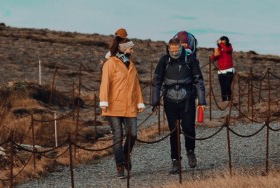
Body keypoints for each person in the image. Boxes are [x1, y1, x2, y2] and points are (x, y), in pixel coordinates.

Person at [151, 32, 207, 173]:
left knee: (189, 128)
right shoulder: (164, 61)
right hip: (170, 101)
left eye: (177, 51)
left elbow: (198, 80)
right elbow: (157, 81)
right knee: (173, 132)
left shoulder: (191, 60)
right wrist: (155, 100)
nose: (174, 53)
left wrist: (202, 101)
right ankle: (175, 161)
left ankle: (190, 151)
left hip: (187, 99)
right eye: (172, 51)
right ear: (169, 49)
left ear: (181, 48)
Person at [97, 29, 144, 179]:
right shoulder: (110, 63)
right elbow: (105, 84)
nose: (132, 50)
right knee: (118, 136)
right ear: (123, 49)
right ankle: (120, 166)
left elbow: (136, 85)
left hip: (129, 105)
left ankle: (125, 156)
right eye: (130, 48)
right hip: (113, 106)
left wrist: (140, 102)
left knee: (133, 134)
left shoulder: (131, 64)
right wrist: (103, 102)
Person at [211, 35, 237, 107]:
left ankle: (229, 100)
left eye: (223, 40)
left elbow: (226, 50)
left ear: (226, 41)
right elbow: (213, 58)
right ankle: (224, 100)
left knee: (227, 85)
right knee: (222, 86)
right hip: (221, 71)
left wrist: (221, 44)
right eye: (221, 40)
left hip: (229, 69)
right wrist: (215, 53)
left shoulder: (229, 47)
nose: (222, 41)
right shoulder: (219, 49)